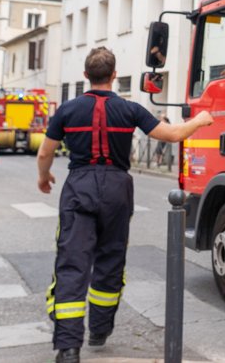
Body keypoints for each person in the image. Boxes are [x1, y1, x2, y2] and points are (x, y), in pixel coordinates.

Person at [36, 47, 212, 363]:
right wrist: (199, 120)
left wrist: (44, 176)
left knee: (72, 263)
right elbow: (172, 134)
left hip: (79, 186)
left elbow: (45, 152)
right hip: (117, 189)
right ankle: (100, 331)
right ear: (114, 76)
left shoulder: (67, 110)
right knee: (110, 259)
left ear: (86, 76)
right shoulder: (130, 109)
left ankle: (68, 348)